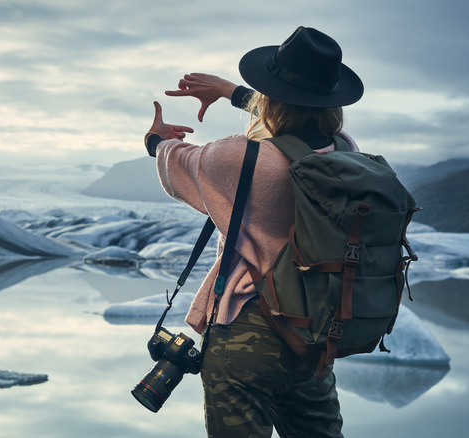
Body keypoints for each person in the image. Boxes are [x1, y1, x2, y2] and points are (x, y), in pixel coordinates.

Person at [144, 26, 364, 438]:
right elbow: (296, 128)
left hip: (247, 329)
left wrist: (157, 140)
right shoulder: (346, 152)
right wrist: (231, 92)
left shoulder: (239, 158)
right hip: (311, 336)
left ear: (272, 95)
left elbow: (175, 166)